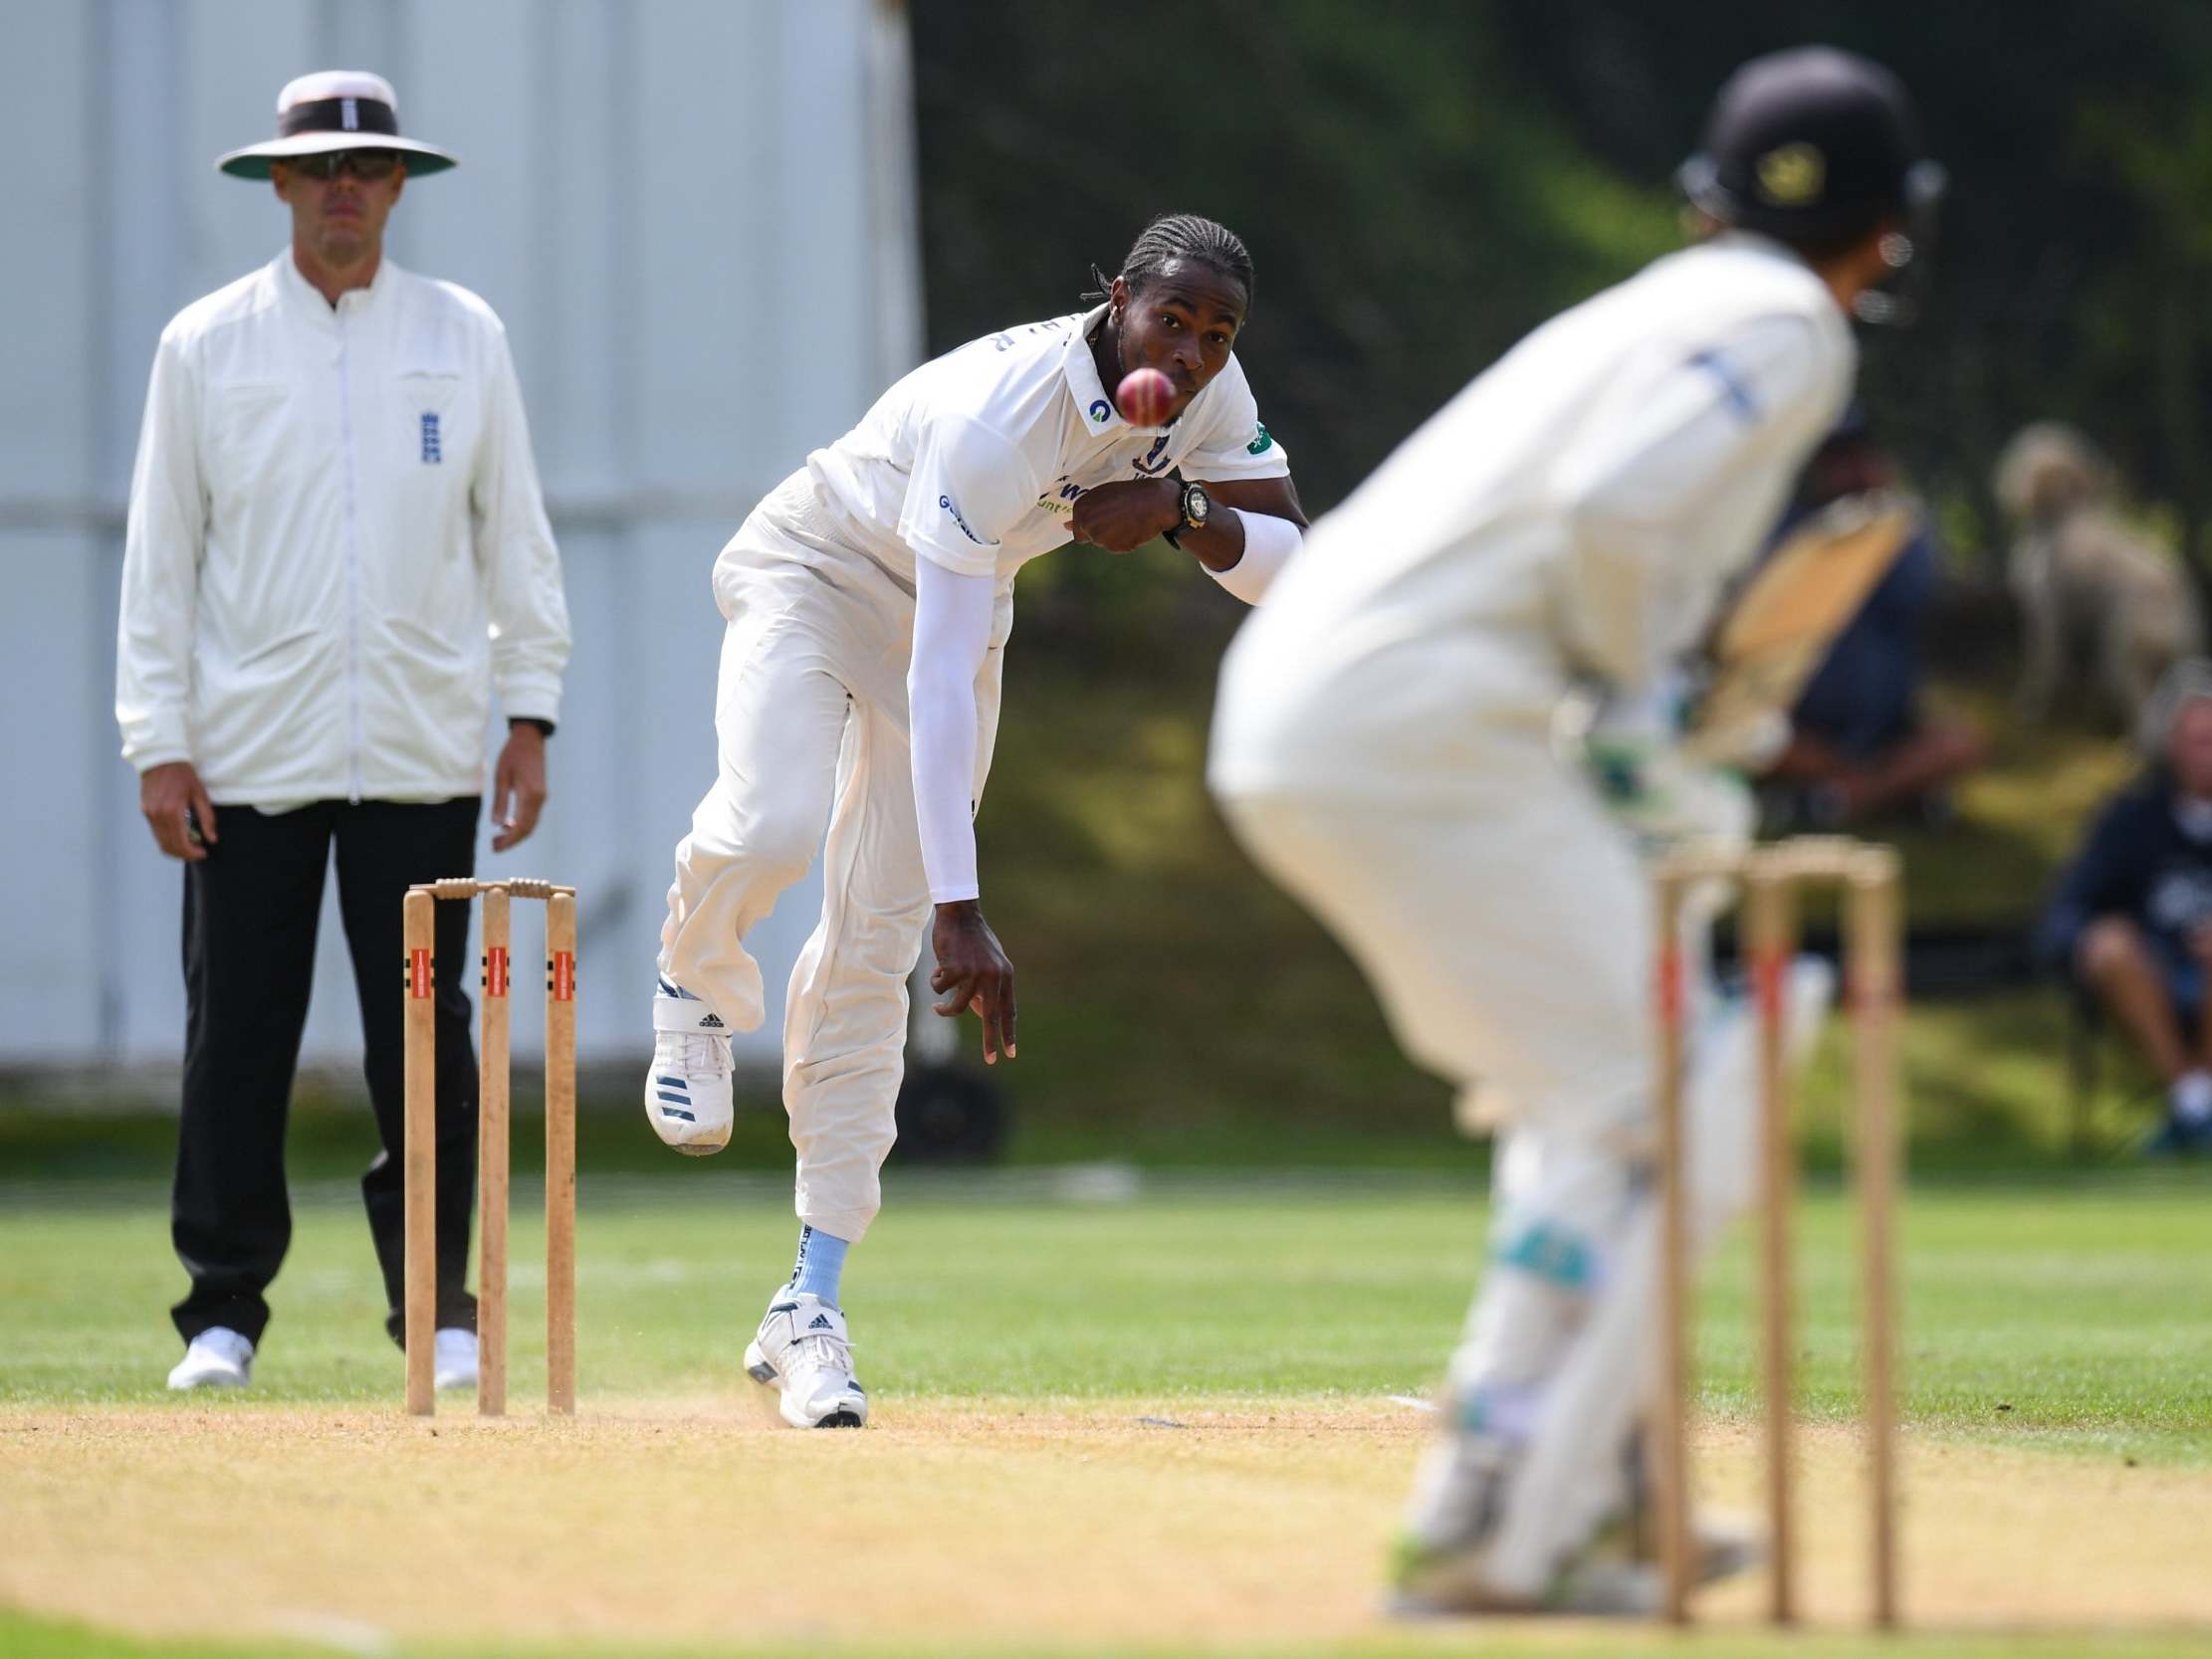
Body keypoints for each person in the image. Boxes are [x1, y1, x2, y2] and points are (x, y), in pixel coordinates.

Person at [1209, 49, 1938, 1612]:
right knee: (1669, 1094)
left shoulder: (1655, 310)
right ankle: (1496, 1522)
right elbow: (1615, 518)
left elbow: (1597, 531)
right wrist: (1630, 705)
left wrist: (1642, 709)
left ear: (1700, 201)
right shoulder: (1782, 322)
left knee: (1598, 1103)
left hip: (1318, 708)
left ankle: (1574, 1491)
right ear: (1885, 230)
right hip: (1414, 724)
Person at [648, 214, 1306, 1428]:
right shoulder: (998, 415)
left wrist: (1176, 514)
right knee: (774, 820)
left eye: (1219, 332)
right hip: (821, 568)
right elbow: (935, 676)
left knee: (873, 941)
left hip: (958, 607)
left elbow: (1288, 563)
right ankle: (695, 981)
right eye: (1174, 320)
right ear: (1117, 299)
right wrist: (970, 906)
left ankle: (809, 1301)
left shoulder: (1208, 390)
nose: (1196, 350)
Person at [116, 72, 571, 1392]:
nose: (344, 191)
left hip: (424, 751)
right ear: (280, 183)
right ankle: (221, 1310)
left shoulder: (460, 332)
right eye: (320, 171)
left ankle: (438, 1304)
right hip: (246, 753)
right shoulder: (205, 344)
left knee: (427, 1042)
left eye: (367, 171)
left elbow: (515, 540)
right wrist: (159, 736)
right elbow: (162, 557)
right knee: (238, 1036)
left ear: (397, 185)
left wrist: (527, 714)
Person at [1755, 416, 1985, 826]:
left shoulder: (1901, 531)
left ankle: (1838, 800)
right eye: (1839, 461)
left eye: (1860, 458)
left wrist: (1878, 519)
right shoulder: (1786, 533)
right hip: (1806, 728)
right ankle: (1882, 795)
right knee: (1760, 742)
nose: (1852, 472)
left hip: (1886, 733)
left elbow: (1919, 592)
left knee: (1962, 742)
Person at [2040, 661, 2212, 1154]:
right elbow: (2066, 912)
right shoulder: (2131, 821)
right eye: (2195, 738)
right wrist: (2087, 947)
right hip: (2153, 977)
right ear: (2170, 743)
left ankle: (2192, 1111)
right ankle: (2196, 1100)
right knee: (2109, 943)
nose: (2206, 752)